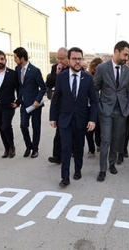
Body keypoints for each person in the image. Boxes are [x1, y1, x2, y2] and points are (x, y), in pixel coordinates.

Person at [50, 47, 98, 187]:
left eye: (79, 59)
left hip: (81, 119)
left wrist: (92, 119)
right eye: (74, 59)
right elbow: (56, 98)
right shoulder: (62, 77)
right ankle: (65, 177)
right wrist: (53, 117)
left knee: (78, 147)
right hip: (64, 119)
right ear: (69, 60)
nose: (77, 62)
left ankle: (78, 169)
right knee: (65, 148)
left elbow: (94, 101)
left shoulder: (88, 78)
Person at [94, 41, 129, 182]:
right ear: (116, 51)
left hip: (121, 111)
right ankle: (102, 169)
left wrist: (128, 107)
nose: (127, 58)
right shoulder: (102, 68)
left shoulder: (128, 71)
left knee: (116, 140)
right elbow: (95, 88)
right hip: (106, 111)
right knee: (105, 140)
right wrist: (99, 106)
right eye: (125, 54)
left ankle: (112, 163)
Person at [14, 47, 47, 158]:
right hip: (24, 104)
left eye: (15, 57)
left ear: (22, 58)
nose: (14, 59)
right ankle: (29, 146)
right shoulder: (17, 69)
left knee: (36, 127)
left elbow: (43, 87)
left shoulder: (35, 71)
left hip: (35, 105)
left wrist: (37, 100)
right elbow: (20, 87)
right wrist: (18, 101)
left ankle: (35, 149)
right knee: (23, 126)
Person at [47, 47, 69, 164]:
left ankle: (71, 151)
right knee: (59, 133)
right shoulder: (55, 68)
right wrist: (56, 74)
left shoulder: (72, 68)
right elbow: (49, 84)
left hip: (70, 104)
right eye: (58, 58)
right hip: (59, 104)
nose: (60, 61)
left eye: (62, 58)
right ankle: (57, 156)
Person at [85, 57, 103, 157]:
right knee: (88, 130)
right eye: (96, 68)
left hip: (100, 107)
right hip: (89, 107)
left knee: (99, 129)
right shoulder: (88, 78)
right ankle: (91, 149)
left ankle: (99, 144)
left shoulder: (104, 79)